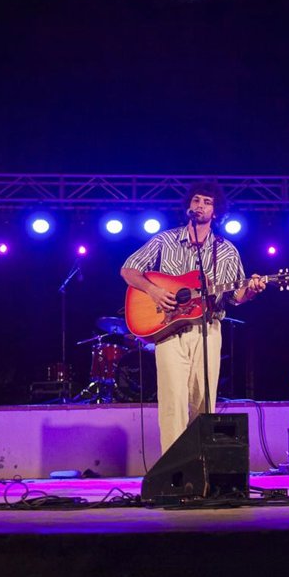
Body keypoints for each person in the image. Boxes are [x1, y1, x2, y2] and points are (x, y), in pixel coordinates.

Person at [121, 182, 266, 453]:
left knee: (204, 401)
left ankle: (201, 465)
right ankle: (173, 468)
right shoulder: (164, 240)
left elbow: (235, 296)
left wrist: (251, 291)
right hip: (169, 331)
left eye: (207, 202)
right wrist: (153, 291)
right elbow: (129, 270)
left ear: (215, 212)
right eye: (196, 200)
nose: (200, 205)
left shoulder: (226, 250)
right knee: (172, 402)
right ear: (189, 205)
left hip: (207, 330)